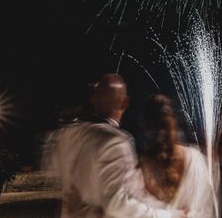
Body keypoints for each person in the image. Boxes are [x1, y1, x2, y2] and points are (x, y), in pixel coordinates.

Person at [47, 74, 186, 218]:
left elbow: (57, 176)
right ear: (125, 102)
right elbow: (118, 204)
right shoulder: (116, 141)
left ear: (93, 99)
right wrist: (169, 215)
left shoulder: (67, 135)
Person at [139, 94, 216, 218]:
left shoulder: (195, 161)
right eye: (155, 128)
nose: (160, 135)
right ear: (147, 130)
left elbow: (206, 209)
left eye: (165, 127)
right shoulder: (140, 167)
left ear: (175, 124)